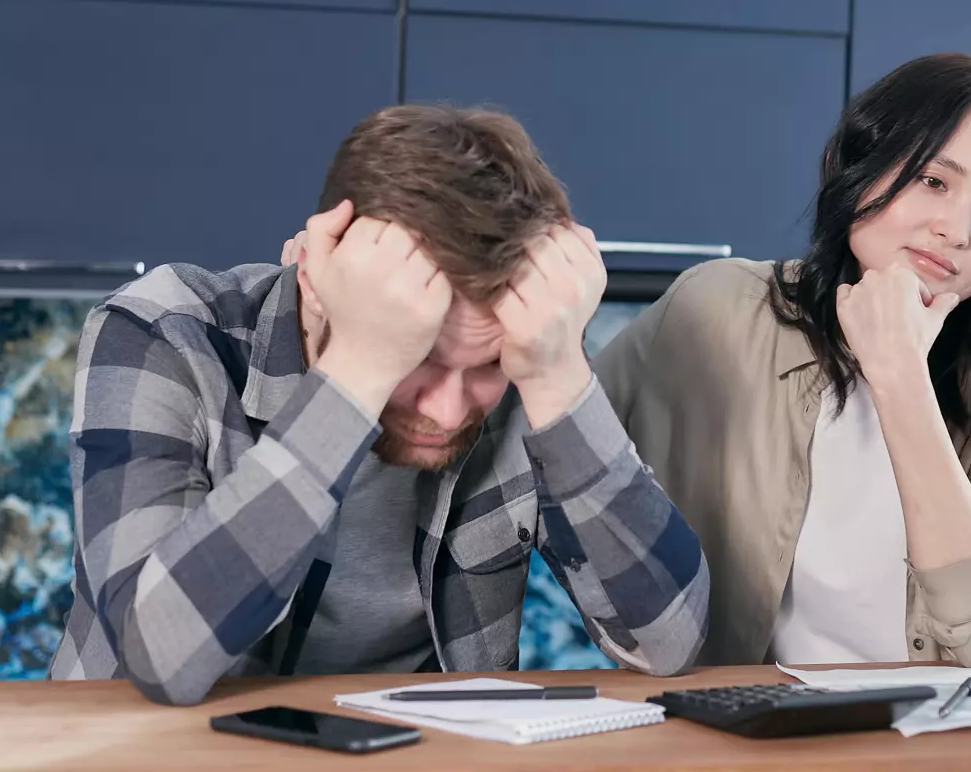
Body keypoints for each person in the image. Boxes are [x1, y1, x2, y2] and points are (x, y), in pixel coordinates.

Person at [49, 105, 709, 705]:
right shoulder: (162, 332)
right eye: (415, 358)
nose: (449, 412)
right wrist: (359, 369)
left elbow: (667, 644)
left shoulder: (531, 357)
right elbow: (161, 659)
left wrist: (560, 375)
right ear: (316, 284)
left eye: (483, 368)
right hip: (149, 767)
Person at [595, 53, 971, 668]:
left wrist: (901, 379)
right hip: (760, 740)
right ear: (860, 165)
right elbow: (549, 451)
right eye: (934, 181)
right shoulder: (719, 308)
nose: (959, 230)